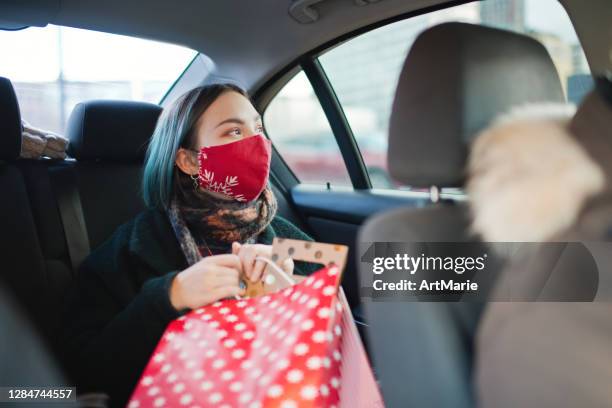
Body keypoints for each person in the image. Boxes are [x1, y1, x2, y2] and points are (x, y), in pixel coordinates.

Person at [61, 83, 319, 407]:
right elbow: (82, 374)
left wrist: (291, 288)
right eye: (233, 132)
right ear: (188, 160)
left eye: (257, 128)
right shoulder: (129, 250)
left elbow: (339, 321)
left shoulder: (285, 236)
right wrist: (170, 297)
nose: (256, 143)